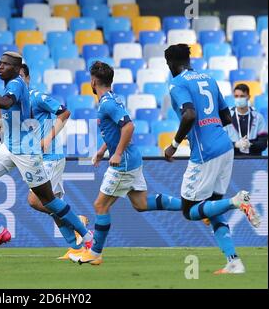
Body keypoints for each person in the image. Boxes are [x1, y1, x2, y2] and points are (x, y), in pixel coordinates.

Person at [0, 52, 93, 256]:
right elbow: (15, 118)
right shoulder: (12, 86)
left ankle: (86, 237)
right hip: (9, 147)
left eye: (6, 65)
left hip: (26, 150)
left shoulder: (16, 84)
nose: (0, 67)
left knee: (47, 200)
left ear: (17, 70)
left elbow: (6, 104)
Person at [69, 61, 183, 266]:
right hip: (133, 159)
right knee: (141, 204)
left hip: (124, 163)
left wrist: (118, 153)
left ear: (93, 81)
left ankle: (94, 254)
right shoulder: (112, 99)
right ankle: (188, 205)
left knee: (100, 205)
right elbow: (116, 129)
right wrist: (103, 150)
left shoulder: (108, 103)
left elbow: (128, 127)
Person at [163, 44, 260, 274]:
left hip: (205, 154)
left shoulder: (177, 83)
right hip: (225, 148)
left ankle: (237, 201)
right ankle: (234, 261)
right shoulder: (208, 78)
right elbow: (226, 116)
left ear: (171, 64)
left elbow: (189, 114)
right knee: (211, 210)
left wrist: (174, 145)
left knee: (189, 210)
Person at [19, 64, 90, 260]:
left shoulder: (37, 97)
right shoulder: (16, 103)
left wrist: (48, 138)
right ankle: (76, 248)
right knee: (53, 205)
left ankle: (77, 221)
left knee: (35, 200)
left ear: (27, 78)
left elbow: (64, 113)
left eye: (20, 76)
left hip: (51, 156)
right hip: (37, 158)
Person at [225, 83, 267, 156]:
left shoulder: (258, 117)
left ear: (248, 97)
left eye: (242, 96)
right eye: (236, 96)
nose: (239, 99)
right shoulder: (226, 117)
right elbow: (221, 143)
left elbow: (263, 143)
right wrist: (235, 144)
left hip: (254, 159)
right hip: (233, 159)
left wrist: (250, 144)